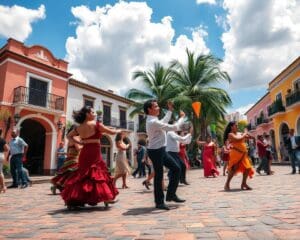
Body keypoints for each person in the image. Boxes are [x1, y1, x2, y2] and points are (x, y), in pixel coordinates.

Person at [61, 106, 120, 209]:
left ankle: (74, 199)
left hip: (85, 151)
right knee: (98, 174)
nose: (95, 114)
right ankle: (107, 197)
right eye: (93, 112)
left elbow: (69, 136)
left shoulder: (78, 127)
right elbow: (111, 132)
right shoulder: (96, 124)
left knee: (83, 174)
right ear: (87, 114)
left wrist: (79, 141)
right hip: (94, 152)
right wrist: (118, 131)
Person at [144, 99, 185, 210]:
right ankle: (159, 202)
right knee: (159, 176)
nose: (158, 108)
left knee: (176, 169)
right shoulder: (153, 122)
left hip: (161, 150)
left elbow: (164, 121)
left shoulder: (154, 120)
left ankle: (171, 194)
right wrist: (181, 118)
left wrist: (170, 110)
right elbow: (174, 127)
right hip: (155, 151)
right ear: (149, 109)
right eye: (156, 106)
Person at [223, 121, 255, 191]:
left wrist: (248, 133)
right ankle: (227, 184)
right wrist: (244, 134)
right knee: (233, 169)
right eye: (236, 125)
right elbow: (238, 139)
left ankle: (244, 183)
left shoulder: (240, 133)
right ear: (231, 127)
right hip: (235, 153)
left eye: (237, 125)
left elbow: (251, 137)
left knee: (248, 168)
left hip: (243, 154)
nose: (237, 127)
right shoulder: (230, 134)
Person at [51, 124, 81, 194]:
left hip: (71, 158)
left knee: (66, 174)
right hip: (74, 158)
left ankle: (57, 185)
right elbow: (78, 148)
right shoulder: (75, 138)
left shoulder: (71, 138)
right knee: (73, 173)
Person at [0, 128, 9, 193]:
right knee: (0, 172)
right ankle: (2, 187)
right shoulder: (2, 140)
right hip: (1, 155)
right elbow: (7, 149)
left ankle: (3, 186)